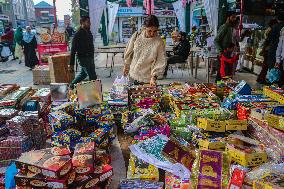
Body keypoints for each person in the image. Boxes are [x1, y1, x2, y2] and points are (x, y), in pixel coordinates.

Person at [123, 15, 166, 86]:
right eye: (149, 31)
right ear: (144, 28)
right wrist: (126, 65)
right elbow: (129, 52)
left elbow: (160, 61)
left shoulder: (159, 42)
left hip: (147, 80)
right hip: (132, 75)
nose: (152, 34)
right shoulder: (137, 35)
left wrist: (154, 77)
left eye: (155, 31)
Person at [69, 16, 96, 89]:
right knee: (92, 77)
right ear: (82, 23)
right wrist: (71, 64)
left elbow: (91, 46)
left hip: (90, 58)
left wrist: (92, 57)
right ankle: (94, 94)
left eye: (90, 22)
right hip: (83, 58)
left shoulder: (89, 32)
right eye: (88, 22)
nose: (90, 24)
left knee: (83, 74)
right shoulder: (78, 34)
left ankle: (71, 86)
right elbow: (73, 50)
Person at [214, 12, 238, 82]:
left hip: (228, 55)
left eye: (235, 18)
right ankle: (215, 90)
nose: (234, 19)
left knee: (226, 75)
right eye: (233, 17)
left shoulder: (231, 28)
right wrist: (220, 52)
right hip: (223, 55)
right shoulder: (224, 27)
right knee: (220, 75)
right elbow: (216, 40)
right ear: (228, 17)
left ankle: (223, 90)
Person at [256, 19, 278, 84]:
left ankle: (260, 78)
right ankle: (263, 79)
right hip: (268, 50)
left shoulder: (269, 30)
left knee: (265, 66)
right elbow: (268, 41)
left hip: (266, 50)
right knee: (266, 66)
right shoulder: (272, 31)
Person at [267, 14, 284, 87]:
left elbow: (269, 39)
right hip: (281, 54)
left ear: (277, 19)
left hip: (274, 51)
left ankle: (274, 87)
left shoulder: (275, 27)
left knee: (274, 71)